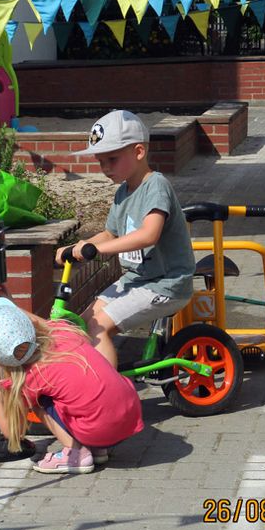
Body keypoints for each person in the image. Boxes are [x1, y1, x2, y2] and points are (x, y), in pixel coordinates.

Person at [57, 109, 195, 368]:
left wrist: (100, 250)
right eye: (101, 161)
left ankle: (110, 396)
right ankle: (91, 385)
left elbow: (148, 234)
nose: (105, 168)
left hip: (165, 284)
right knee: (84, 324)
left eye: (112, 159)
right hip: (137, 281)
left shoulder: (156, 186)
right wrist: (77, 247)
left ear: (139, 152)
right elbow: (110, 233)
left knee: (99, 330)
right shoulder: (123, 192)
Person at [0, 292, 144, 474]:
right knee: (81, 393)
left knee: (41, 403)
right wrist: (12, 306)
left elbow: (14, 435)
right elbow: (40, 323)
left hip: (101, 430)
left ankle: (77, 454)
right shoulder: (63, 333)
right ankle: (97, 448)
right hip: (130, 420)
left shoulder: (31, 377)